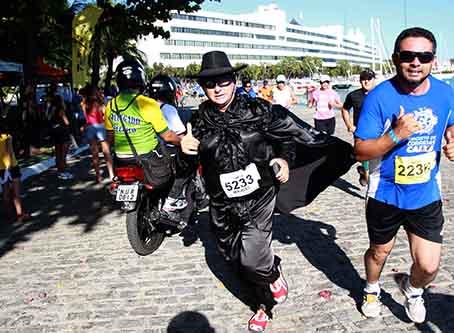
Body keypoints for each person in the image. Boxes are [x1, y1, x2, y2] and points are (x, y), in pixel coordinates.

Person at [180, 51, 356, 332]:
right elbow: (188, 165)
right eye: (210, 83)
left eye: (223, 80)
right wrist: (185, 149)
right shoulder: (198, 120)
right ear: (203, 87)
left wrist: (285, 159)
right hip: (221, 204)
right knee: (234, 258)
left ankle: (264, 305)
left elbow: (289, 137)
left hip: (258, 197)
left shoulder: (259, 110)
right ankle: (267, 275)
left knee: (252, 257)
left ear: (234, 80)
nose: (217, 88)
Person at [354, 27, 454, 324]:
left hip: (425, 193)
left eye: (423, 56)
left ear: (433, 60)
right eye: (408, 55)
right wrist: (395, 134)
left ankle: (412, 289)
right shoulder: (379, 97)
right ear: (395, 59)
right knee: (380, 252)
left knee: (428, 267)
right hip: (385, 193)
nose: (416, 62)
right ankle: (372, 288)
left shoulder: (445, 93)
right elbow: (361, 151)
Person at [104, 59, 180, 178]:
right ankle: (172, 196)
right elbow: (168, 136)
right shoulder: (147, 103)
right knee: (171, 171)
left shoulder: (111, 105)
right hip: (147, 158)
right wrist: (182, 141)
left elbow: (109, 138)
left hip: (121, 160)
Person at [148, 74, 190, 212]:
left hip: (149, 153)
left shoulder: (145, 107)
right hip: (167, 153)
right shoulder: (167, 109)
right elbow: (180, 135)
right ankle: (174, 196)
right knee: (189, 162)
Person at [341, 69, 377, 186]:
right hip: (360, 132)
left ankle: (364, 171)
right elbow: (345, 109)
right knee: (365, 156)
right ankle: (366, 175)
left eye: (369, 79)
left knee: (376, 157)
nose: (366, 82)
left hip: (378, 131)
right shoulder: (353, 95)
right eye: (363, 79)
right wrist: (349, 125)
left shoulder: (380, 94)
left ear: (373, 80)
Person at [81, 86, 114, 183]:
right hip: (100, 126)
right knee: (106, 152)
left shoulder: (84, 103)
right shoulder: (99, 102)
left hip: (90, 127)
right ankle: (111, 175)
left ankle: (98, 176)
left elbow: (85, 117)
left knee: (94, 153)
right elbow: (105, 113)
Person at [0, 126, 30, 223]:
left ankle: (9, 215)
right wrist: (8, 167)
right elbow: (8, 152)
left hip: (0, 168)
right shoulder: (6, 136)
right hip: (11, 166)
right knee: (16, 193)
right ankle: (19, 215)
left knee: (5, 192)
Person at [49, 94, 74, 180]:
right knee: (63, 154)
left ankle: (60, 171)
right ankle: (63, 171)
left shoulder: (52, 109)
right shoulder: (61, 110)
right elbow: (66, 122)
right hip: (62, 132)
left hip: (55, 132)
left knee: (58, 153)